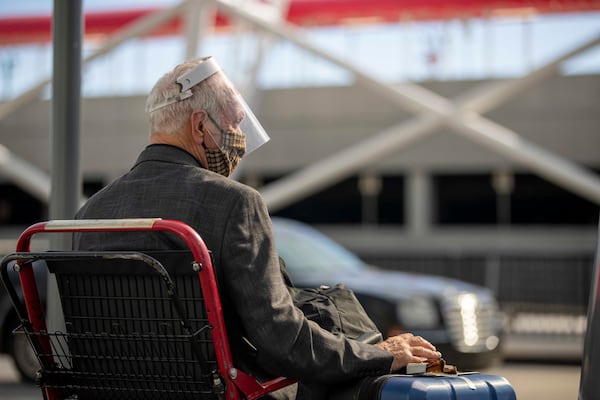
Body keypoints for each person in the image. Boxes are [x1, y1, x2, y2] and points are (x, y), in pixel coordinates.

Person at [73, 57, 441, 399]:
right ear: (199, 125)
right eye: (234, 123)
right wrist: (376, 355)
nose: (239, 136)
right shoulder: (234, 203)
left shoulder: (89, 213)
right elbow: (282, 341)